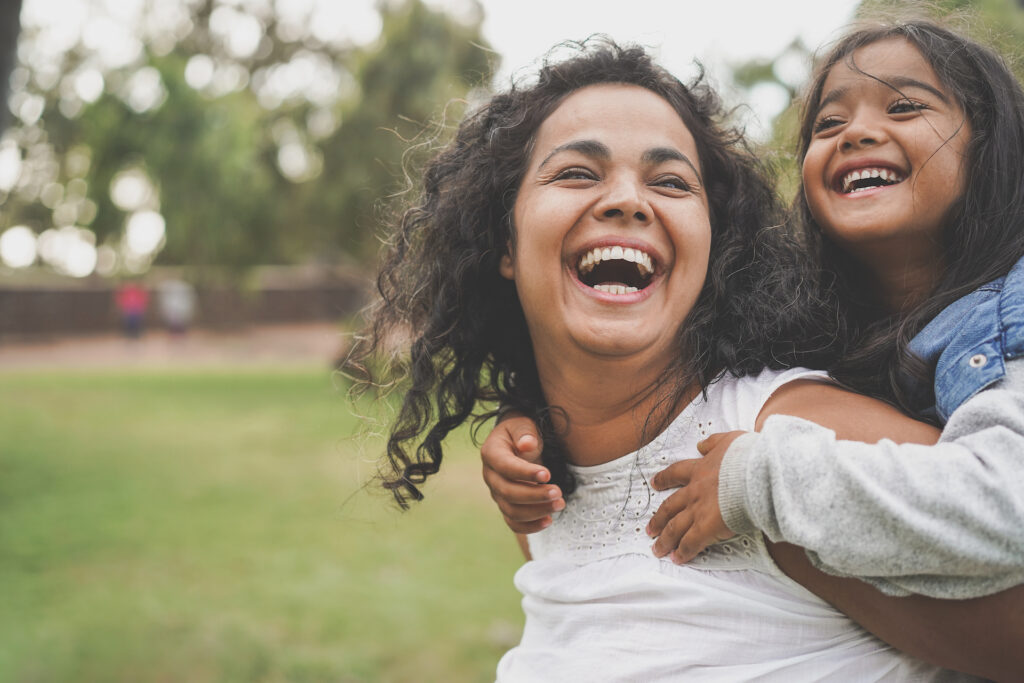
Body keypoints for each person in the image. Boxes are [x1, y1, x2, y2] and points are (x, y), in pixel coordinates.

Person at [349, 39, 1022, 680]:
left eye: (670, 181)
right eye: (578, 172)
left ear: (713, 248)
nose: (624, 199)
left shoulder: (788, 443)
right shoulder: (543, 480)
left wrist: (768, 498)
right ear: (505, 240)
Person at [483, 23, 1024, 601]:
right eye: (828, 123)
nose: (857, 132)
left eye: (906, 106)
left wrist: (759, 484)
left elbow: (1008, 505)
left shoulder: (1009, 321)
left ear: (992, 147)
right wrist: (531, 421)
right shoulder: (829, 328)